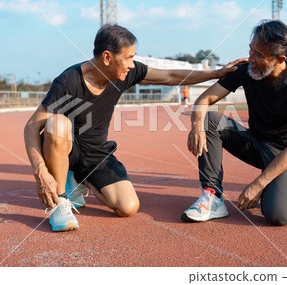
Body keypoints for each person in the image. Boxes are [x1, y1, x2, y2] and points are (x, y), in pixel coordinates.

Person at [24, 23, 247, 232]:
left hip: (95, 154)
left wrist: (215, 73)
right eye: (129, 57)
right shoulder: (69, 82)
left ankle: (79, 179)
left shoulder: (125, 73)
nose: (132, 64)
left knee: (127, 207)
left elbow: (169, 76)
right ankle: (61, 202)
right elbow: (32, 127)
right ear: (107, 57)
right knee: (57, 123)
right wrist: (41, 172)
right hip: (67, 147)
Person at [182, 20, 287, 226]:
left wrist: (258, 184)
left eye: (259, 55)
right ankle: (212, 196)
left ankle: (274, 186)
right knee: (211, 120)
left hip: (282, 153)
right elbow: (204, 100)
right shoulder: (245, 70)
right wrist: (196, 127)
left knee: (277, 216)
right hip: (253, 143)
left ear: (279, 59)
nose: (251, 58)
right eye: (251, 50)